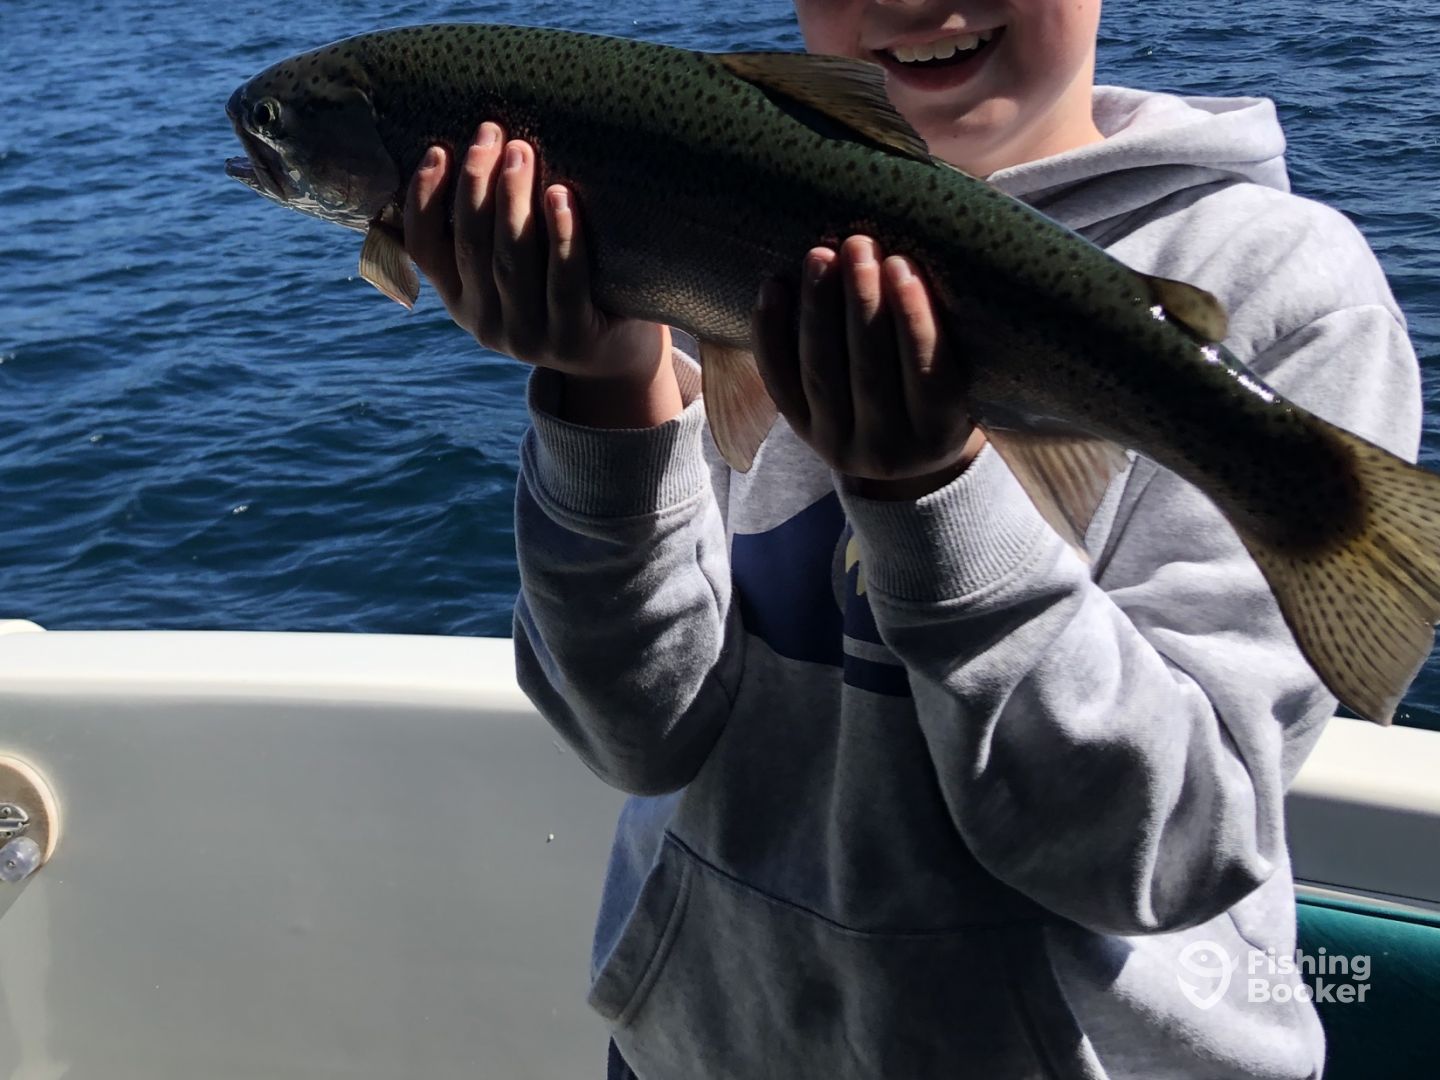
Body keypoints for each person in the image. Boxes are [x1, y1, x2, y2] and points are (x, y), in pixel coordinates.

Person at [404, 1, 1421, 1076]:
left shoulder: (1277, 286)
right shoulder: (699, 202)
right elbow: (636, 739)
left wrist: (935, 496)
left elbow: (1168, 853)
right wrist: (607, 387)